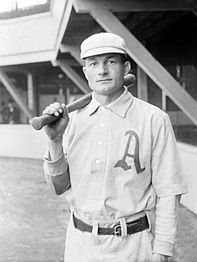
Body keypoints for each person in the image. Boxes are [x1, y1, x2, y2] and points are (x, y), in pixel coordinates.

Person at [42, 32, 187, 262]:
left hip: (134, 244)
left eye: (111, 61)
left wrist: (162, 249)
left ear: (126, 67)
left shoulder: (153, 119)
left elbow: (169, 191)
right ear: (86, 72)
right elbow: (59, 188)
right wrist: (54, 141)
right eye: (93, 63)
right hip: (81, 244)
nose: (102, 70)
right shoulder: (71, 121)